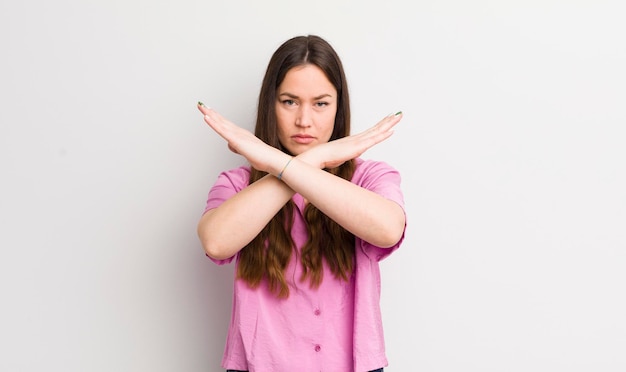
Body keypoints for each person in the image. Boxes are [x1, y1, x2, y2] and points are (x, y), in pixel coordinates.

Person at [196, 35, 406, 372]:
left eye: (320, 103)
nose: (304, 121)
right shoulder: (236, 184)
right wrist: (306, 162)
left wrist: (290, 160)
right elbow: (217, 242)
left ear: (339, 108)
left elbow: (388, 230)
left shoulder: (370, 178)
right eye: (290, 102)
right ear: (271, 104)